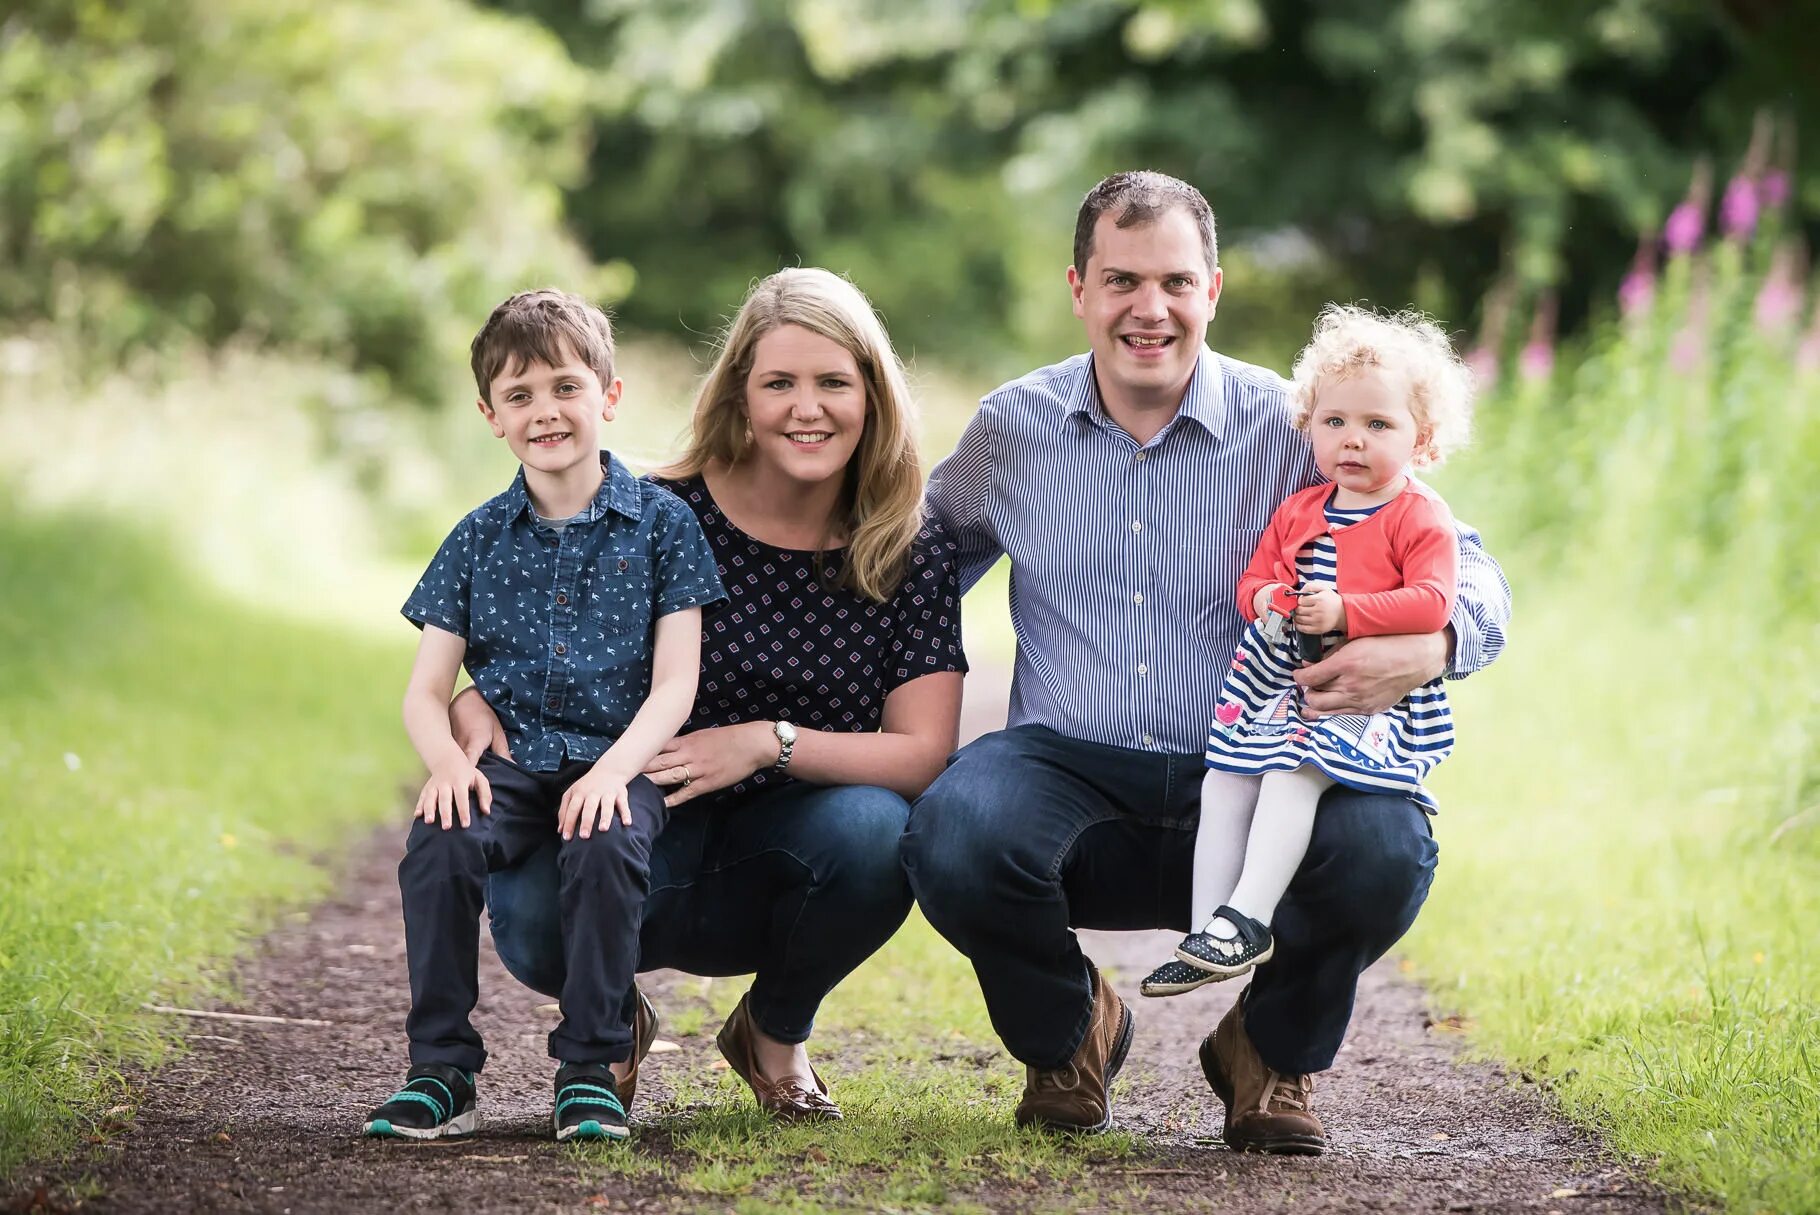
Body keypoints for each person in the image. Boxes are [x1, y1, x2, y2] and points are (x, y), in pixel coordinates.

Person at [901, 172, 1511, 1151]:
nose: (1150, 309)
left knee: (1384, 849)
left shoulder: (1298, 428)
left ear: (1212, 291)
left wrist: (1432, 642)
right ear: (1078, 289)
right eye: (1121, 281)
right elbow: (915, 561)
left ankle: (1264, 1052)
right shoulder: (1010, 431)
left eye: (1175, 282)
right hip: (1067, 769)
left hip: (1260, 763)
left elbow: (1462, 562)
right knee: (954, 834)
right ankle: (1073, 1030)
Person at [457, 268, 967, 1122]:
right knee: (536, 914)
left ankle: (773, 1031)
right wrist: (467, 702)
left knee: (882, 831)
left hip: (790, 851)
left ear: (873, 395)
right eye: (780, 383)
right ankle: (606, 1020)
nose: (808, 407)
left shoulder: (907, 544)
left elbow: (921, 754)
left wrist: (767, 740)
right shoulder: (655, 511)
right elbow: (521, 653)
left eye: (834, 382)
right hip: (628, 834)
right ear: (741, 395)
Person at [364, 290, 726, 1143]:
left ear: (609, 394)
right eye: (519, 395)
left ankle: (591, 1069)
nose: (546, 411)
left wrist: (614, 772)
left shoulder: (665, 528)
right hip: (513, 758)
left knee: (604, 844)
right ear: (490, 415)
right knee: (440, 840)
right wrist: (450, 765)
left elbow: (677, 683)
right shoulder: (477, 536)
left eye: (565, 386)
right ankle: (442, 1070)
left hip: (620, 757)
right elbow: (426, 689)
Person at [1139, 305, 1473, 1000]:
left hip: (1366, 700)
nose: (1353, 440)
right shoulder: (1301, 509)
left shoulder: (1418, 514)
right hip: (1283, 686)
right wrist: (1265, 601)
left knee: (1293, 773)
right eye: (1336, 422)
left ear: (1423, 439)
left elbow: (1434, 602)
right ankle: (1209, 930)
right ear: (1310, 425)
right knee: (1228, 776)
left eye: (1378, 425)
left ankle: (1249, 916)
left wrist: (1350, 610)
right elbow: (1256, 578)